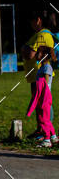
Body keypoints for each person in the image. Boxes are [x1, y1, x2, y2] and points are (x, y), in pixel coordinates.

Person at [21, 9, 56, 138]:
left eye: (32, 22)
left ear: (38, 20)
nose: (31, 25)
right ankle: (42, 129)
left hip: (40, 77)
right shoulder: (38, 34)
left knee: (44, 106)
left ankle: (46, 132)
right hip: (36, 76)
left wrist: (25, 49)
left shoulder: (42, 35)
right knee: (40, 105)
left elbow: (30, 54)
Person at [26, 46, 58, 148]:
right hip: (42, 95)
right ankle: (53, 136)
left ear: (44, 55)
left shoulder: (47, 67)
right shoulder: (42, 67)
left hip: (45, 95)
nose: (36, 54)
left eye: (38, 53)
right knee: (45, 117)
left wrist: (39, 94)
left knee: (43, 118)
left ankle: (47, 140)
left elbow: (45, 82)